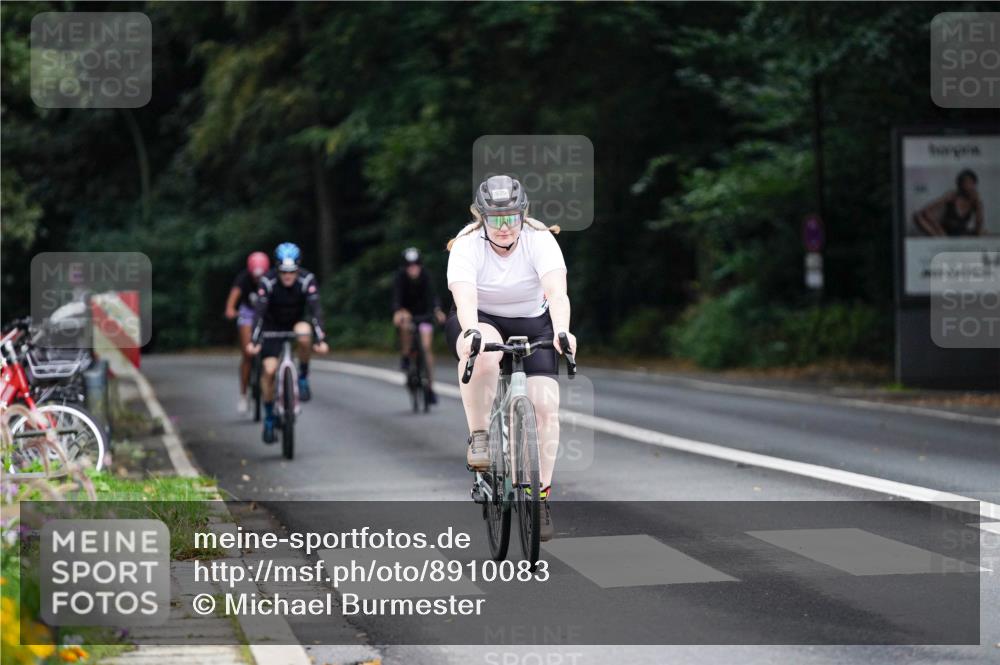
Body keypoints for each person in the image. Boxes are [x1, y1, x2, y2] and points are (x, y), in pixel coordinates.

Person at [445, 175, 576, 541]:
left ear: (523, 214)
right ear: (481, 217)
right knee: (483, 354)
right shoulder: (468, 245)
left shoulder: (540, 239)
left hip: (534, 323)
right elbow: (465, 301)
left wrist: (563, 330)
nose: (504, 227)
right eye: (495, 219)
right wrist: (471, 332)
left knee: (546, 407)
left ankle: (540, 496)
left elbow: (557, 293)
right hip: (482, 319)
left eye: (512, 218)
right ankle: (480, 436)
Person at [246, 242, 329, 444]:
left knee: (304, 332)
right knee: (269, 370)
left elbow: (315, 309)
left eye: (291, 272)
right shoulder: (267, 281)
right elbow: (259, 313)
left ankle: (302, 376)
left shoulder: (306, 279)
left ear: (298, 268)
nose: (287, 276)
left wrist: (320, 339)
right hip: (271, 328)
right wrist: (254, 340)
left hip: (295, 323)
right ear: (277, 268)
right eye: (283, 272)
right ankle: (268, 417)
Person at [392, 247, 446, 404]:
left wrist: (437, 311)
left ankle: (430, 387)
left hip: (425, 316)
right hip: (408, 315)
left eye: (416, 264)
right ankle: (405, 355)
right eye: (409, 265)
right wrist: (398, 311)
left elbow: (433, 296)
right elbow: (396, 298)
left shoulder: (426, 277)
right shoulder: (400, 278)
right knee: (405, 325)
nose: (413, 268)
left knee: (427, 348)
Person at [225, 251, 270, 413]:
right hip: (248, 314)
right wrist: (231, 309)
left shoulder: (270, 278)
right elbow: (233, 297)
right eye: (255, 276)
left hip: (266, 313)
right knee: (248, 353)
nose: (258, 279)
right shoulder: (243, 278)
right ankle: (243, 394)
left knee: (269, 353)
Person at [913, 169, 984, 237]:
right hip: (944, 232)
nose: (968, 186)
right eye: (965, 182)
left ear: (975, 185)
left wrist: (977, 204)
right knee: (917, 215)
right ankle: (940, 239)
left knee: (984, 233)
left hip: (961, 233)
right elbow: (926, 210)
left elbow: (978, 229)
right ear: (959, 184)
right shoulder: (952, 196)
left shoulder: (976, 201)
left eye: (971, 183)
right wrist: (938, 228)